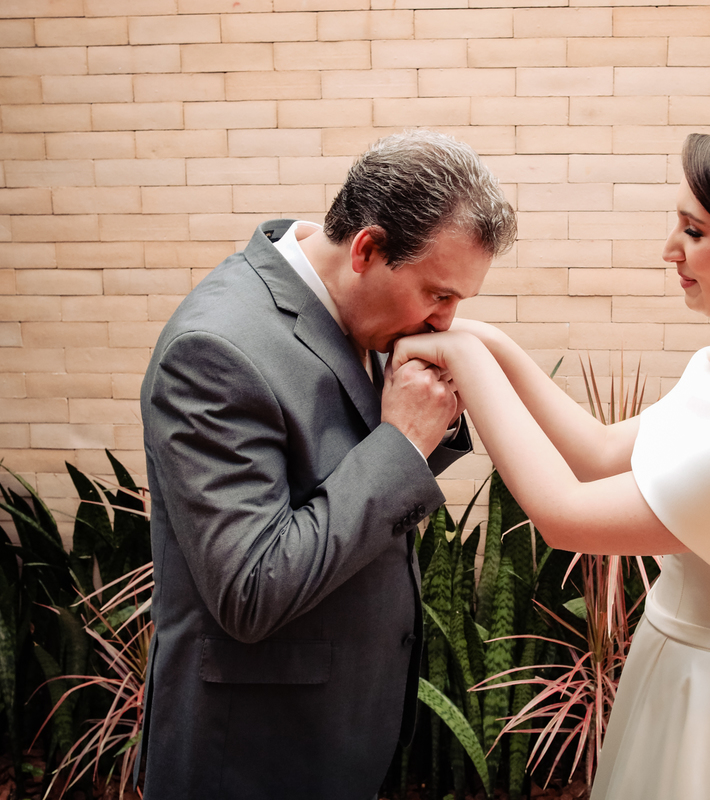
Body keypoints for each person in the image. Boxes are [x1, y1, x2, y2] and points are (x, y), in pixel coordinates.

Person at [391, 112, 710, 799]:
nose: (671, 248)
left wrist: (461, 355)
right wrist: (485, 339)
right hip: (686, 673)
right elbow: (602, 452)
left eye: (695, 232)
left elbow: (567, 516)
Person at [137, 130, 516, 800]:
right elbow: (250, 589)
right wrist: (403, 443)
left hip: (339, 734)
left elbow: (344, 456)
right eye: (439, 294)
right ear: (367, 248)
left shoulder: (358, 304)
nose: (446, 320)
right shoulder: (216, 350)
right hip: (253, 757)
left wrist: (424, 426)